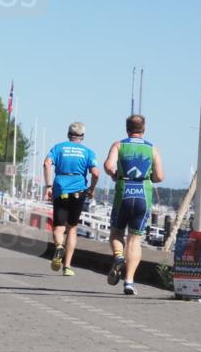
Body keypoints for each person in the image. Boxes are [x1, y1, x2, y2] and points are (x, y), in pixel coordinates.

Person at [103, 114, 164, 295]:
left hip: (124, 191)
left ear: (127, 128)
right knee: (135, 239)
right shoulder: (152, 148)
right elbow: (160, 177)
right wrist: (148, 177)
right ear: (143, 129)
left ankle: (119, 257)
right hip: (143, 193)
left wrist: (114, 174)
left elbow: (108, 165)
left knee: (116, 232)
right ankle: (129, 282)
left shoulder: (119, 145)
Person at [44, 122, 99, 276]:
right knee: (72, 227)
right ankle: (67, 267)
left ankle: (59, 246)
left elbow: (46, 163)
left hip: (60, 188)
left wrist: (48, 186)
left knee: (59, 227)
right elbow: (95, 173)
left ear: (68, 134)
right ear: (82, 137)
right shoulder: (88, 152)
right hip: (78, 190)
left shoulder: (58, 148)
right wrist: (91, 189)